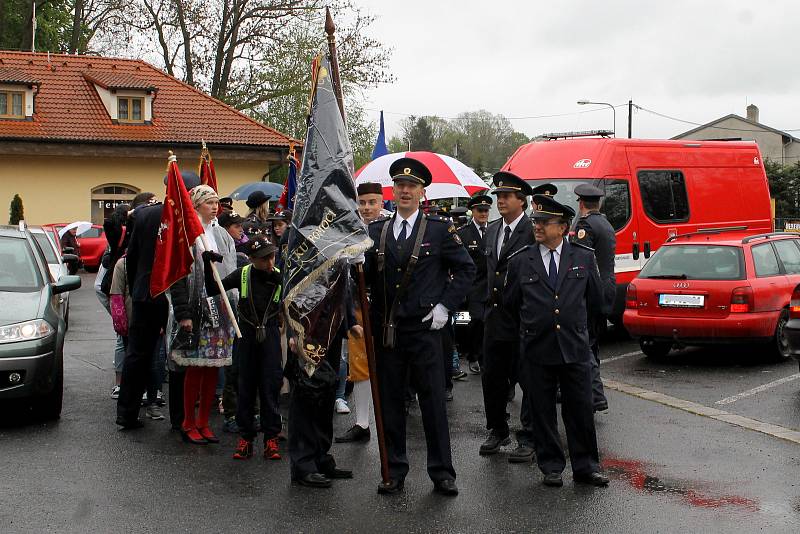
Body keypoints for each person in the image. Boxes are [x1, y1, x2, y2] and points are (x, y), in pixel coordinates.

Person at [364, 157, 475, 497]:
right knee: (391, 402)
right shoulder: (376, 231)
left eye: (411, 186)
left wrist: (445, 306)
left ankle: (441, 472)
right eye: (399, 185)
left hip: (427, 330)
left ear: (422, 192)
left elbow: (467, 270)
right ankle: (394, 470)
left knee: (432, 404)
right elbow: (367, 279)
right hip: (389, 332)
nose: (405, 191)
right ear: (392, 190)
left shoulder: (440, 230)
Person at [504, 194, 609, 488]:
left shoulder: (583, 257)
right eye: (535, 220)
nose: (536, 226)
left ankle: (586, 466)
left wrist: (582, 336)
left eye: (543, 221)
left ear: (562, 227)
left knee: (580, 409)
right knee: (542, 411)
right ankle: (551, 465)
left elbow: (596, 303)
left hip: (574, 347)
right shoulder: (521, 261)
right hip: (538, 349)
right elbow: (511, 305)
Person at [116, 172, 200, 429]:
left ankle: (127, 413)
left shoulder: (144, 214)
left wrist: (138, 286)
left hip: (145, 293)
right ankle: (179, 417)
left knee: (138, 354)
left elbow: (131, 256)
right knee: (177, 356)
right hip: (174, 295)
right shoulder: (186, 218)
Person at [202, 235, 284, 460]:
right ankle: (246, 438)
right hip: (245, 335)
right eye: (263, 259)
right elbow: (213, 289)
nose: (269, 263)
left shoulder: (280, 276)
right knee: (244, 387)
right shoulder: (243, 274)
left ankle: (271, 438)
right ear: (251, 259)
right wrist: (208, 265)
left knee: (270, 386)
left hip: (270, 335)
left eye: (271, 257)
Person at [169, 185, 238, 444]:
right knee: (195, 368)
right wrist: (183, 313)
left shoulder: (220, 234)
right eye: (208, 202)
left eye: (215, 202)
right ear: (196, 205)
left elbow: (228, 269)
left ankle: (203, 422)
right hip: (195, 310)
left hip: (219, 308)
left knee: (213, 368)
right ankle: (188, 421)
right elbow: (178, 278)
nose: (214, 206)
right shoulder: (188, 235)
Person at [479, 172, 536, 463]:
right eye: (498, 196)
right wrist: (478, 309)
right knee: (493, 377)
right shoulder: (491, 230)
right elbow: (485, 272)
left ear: (521, 200)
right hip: (494, 316)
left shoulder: (532, 230)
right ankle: (497, 429)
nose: (500, 200)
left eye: (506, 196)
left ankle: (529, 435)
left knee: (528, 378)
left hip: (523, 318)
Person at [335, 182, 383, 444]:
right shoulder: (347, 231)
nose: (366, 208)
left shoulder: (388, 229)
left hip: (385, 307)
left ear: (381, 202)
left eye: (372, 202)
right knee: (360, 366)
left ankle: (390, 419)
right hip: (357, 307)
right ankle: (362, 423)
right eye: (362, 203)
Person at [570, 183, 616, 413]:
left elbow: (581, 263)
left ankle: (596, 395)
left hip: (592, 289)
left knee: (584, 342)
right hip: (608, 288)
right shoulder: (605, 223)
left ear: (581, 203)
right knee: (593, 342)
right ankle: (590, 391)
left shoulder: (585, 225)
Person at [457, 194, 492, 374]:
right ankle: (472, 355)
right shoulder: (463, 233)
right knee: (473, 321)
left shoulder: (494, 230)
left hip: (489, 284)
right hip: (471, 286)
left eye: (486, 210)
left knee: (488, 323)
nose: (483, 213)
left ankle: (483, 357)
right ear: (473, 211)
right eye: (480, 210)